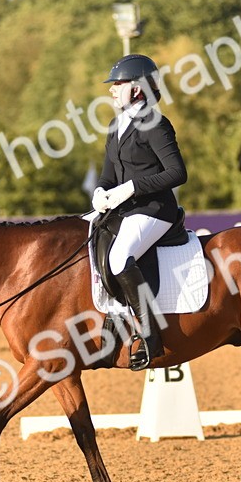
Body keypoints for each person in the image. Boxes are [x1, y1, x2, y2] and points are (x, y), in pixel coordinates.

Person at [92, 53, 188, 371]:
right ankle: (112, 320)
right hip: (121, 209)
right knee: (83, 241)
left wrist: (132, 188)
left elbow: (177, 173)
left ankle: (149, 336)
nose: (111, 90)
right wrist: (101, 191)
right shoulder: (115, 125)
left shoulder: (156, 123)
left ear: (136, 88)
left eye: (116, 84)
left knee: (120, 258)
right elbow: (109, 173)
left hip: (154, 209)